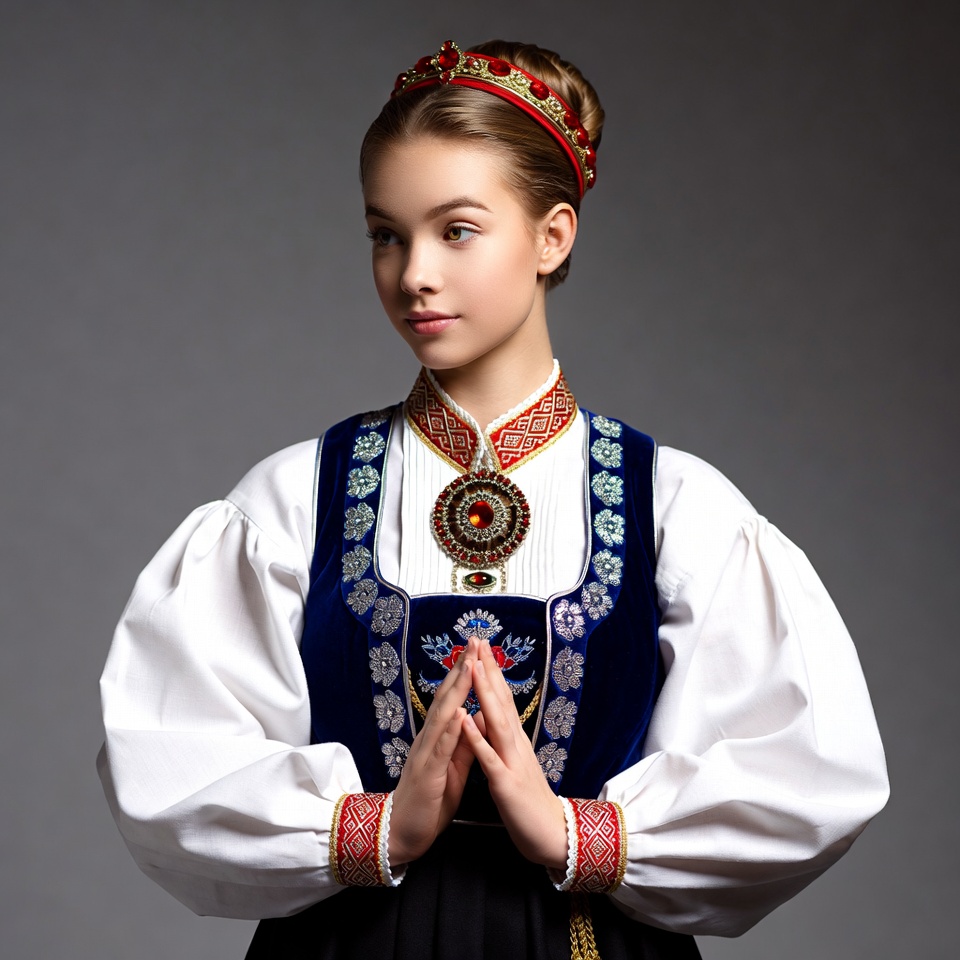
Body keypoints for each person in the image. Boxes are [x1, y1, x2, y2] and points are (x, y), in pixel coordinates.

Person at [97, 39, 889, 959]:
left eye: (457, 229)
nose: (414, 273)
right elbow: (169, 754)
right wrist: (375, 829)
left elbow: (812, 773)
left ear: (553, 236)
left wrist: (578, 839)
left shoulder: (674, 505)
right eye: (386, 233)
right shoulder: (294, 495)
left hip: (581, 940)